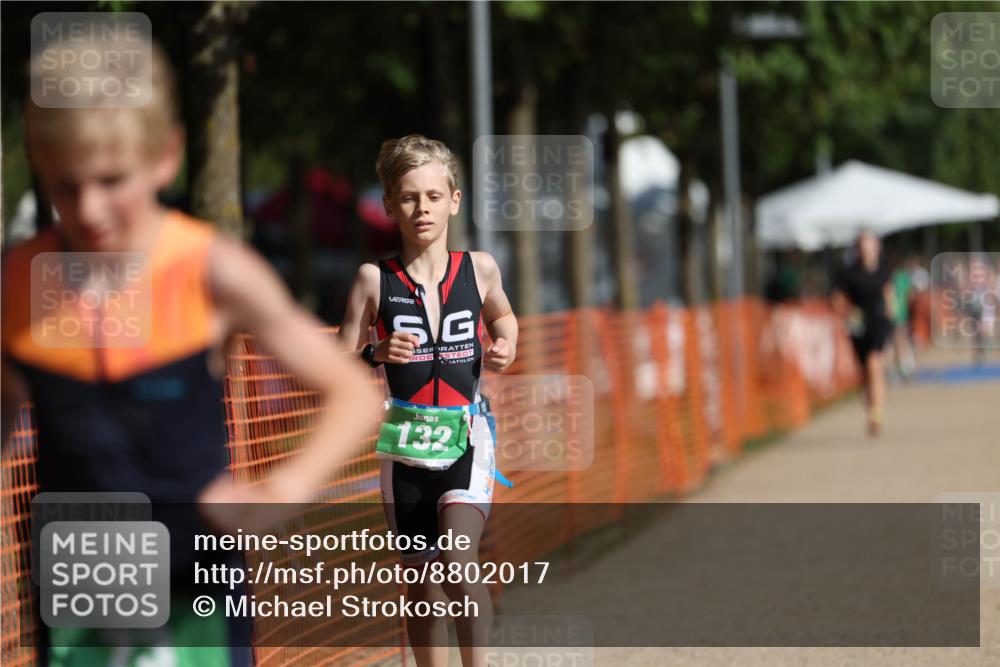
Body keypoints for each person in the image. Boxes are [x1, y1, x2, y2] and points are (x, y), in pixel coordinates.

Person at [1, 37, 382, 666]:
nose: (89, 208)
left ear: (166, 157)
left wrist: (281, 490)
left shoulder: (211, 269)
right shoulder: (21, 282)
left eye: (111, 181)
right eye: (66, 185)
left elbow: (352, 393)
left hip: (196, 589)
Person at [337, 134, 518, 667]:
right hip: (405, 442)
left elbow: (502, 315)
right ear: (390, 204)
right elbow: (339, 359)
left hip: (467, 435)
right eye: (410, 197)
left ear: (454, 201)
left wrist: (507, 341)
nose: (422, 209)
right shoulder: (374, 279)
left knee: (459, 564)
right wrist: (374, 352)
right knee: (419, 582)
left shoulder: (479, 268)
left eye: (434, 196)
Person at [831, 231, 896, 436]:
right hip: (859, 326)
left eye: (871, 245)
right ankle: (871, 402)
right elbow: (837, 298)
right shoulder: (850, 273)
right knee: (865, 373)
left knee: (875, 364)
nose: (867, 250)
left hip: (878, 322)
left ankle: (877, 413)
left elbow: (889, 293)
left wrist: (891, 313)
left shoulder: (884, 270)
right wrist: (847, 312)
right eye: (863, 246)